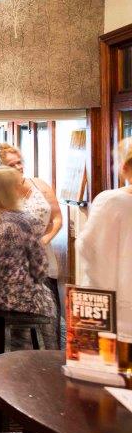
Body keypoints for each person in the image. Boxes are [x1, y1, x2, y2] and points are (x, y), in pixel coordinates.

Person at [0, 167, 55, 340]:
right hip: (14, 295)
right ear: (10, 191)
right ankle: (33, 349)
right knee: (47, 301)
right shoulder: (25, 221)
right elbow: (40, 266)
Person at [0, 143, 63, 333]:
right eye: (12, 165)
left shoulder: (39, 185)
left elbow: (57, 219)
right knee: (20, 325)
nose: (18, 167)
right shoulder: (1, 193)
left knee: (50, 317)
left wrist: (44, 240)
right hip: (15, 262)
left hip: (43, 256)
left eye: (19, 162)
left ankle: (51, 349)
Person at [77, 138, 132, 357]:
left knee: (109, 369)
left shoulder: (110, 201)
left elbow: (88, 247)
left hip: (111, 307)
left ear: (124, 166)